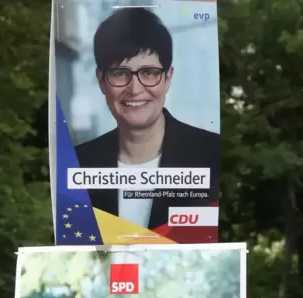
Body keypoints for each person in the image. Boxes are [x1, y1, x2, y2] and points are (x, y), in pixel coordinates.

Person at [74, 8, 221, 230]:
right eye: (120, 73)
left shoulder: (211, 154)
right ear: (101, 81)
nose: (135, 89)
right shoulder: (77, 163)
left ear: (167, 78)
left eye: (149, 72)